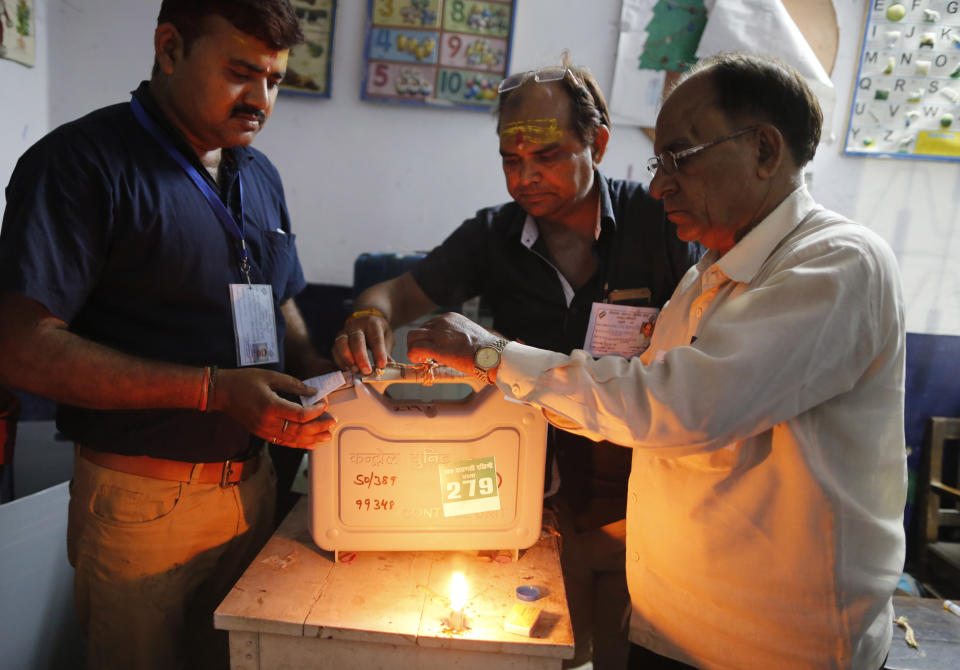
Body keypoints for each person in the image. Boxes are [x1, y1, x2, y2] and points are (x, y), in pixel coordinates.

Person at [404, 52, 906, 670]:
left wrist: (487, 354)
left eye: (681, 157)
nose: (661, 183)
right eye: (659, 162)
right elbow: (662, 431)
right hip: (673, 620)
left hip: (776, 647)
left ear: (765, 151)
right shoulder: (708, 275)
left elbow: (673, 407)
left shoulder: (837, 264)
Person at [333, 52, 700, 669]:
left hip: (641, 511)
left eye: (547, 155)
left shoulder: (660, 225)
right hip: (526, 502)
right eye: (511, 160)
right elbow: (392, 294)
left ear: (599, 144)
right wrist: (367, 318)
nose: (525, 177)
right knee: (526, 649)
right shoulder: (493, 237)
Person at [0, 1, 335, 668]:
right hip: (142, 504)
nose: (260, 100)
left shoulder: (254, 170)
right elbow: (22, 346)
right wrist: (215, 391)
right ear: (171, 48)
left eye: (273, 80)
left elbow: (281, 298)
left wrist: (328, 377)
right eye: (241, 72)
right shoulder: (81, 164)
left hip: (255, 485)